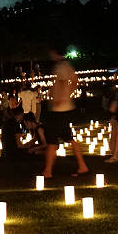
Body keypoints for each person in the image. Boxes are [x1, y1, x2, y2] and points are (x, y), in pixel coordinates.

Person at [42, 47, 89, 179]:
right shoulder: (66, 65)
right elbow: (75, 80)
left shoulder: (61, 66)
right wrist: (68, 95)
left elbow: (63, 83)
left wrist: (60, 99)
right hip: (64, 108)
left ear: (55, 52)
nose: (50, 54)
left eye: (51, 52)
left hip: (59, 109)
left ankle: (48, 171)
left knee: (52, 140)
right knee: (67, 138)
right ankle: (82, 165)